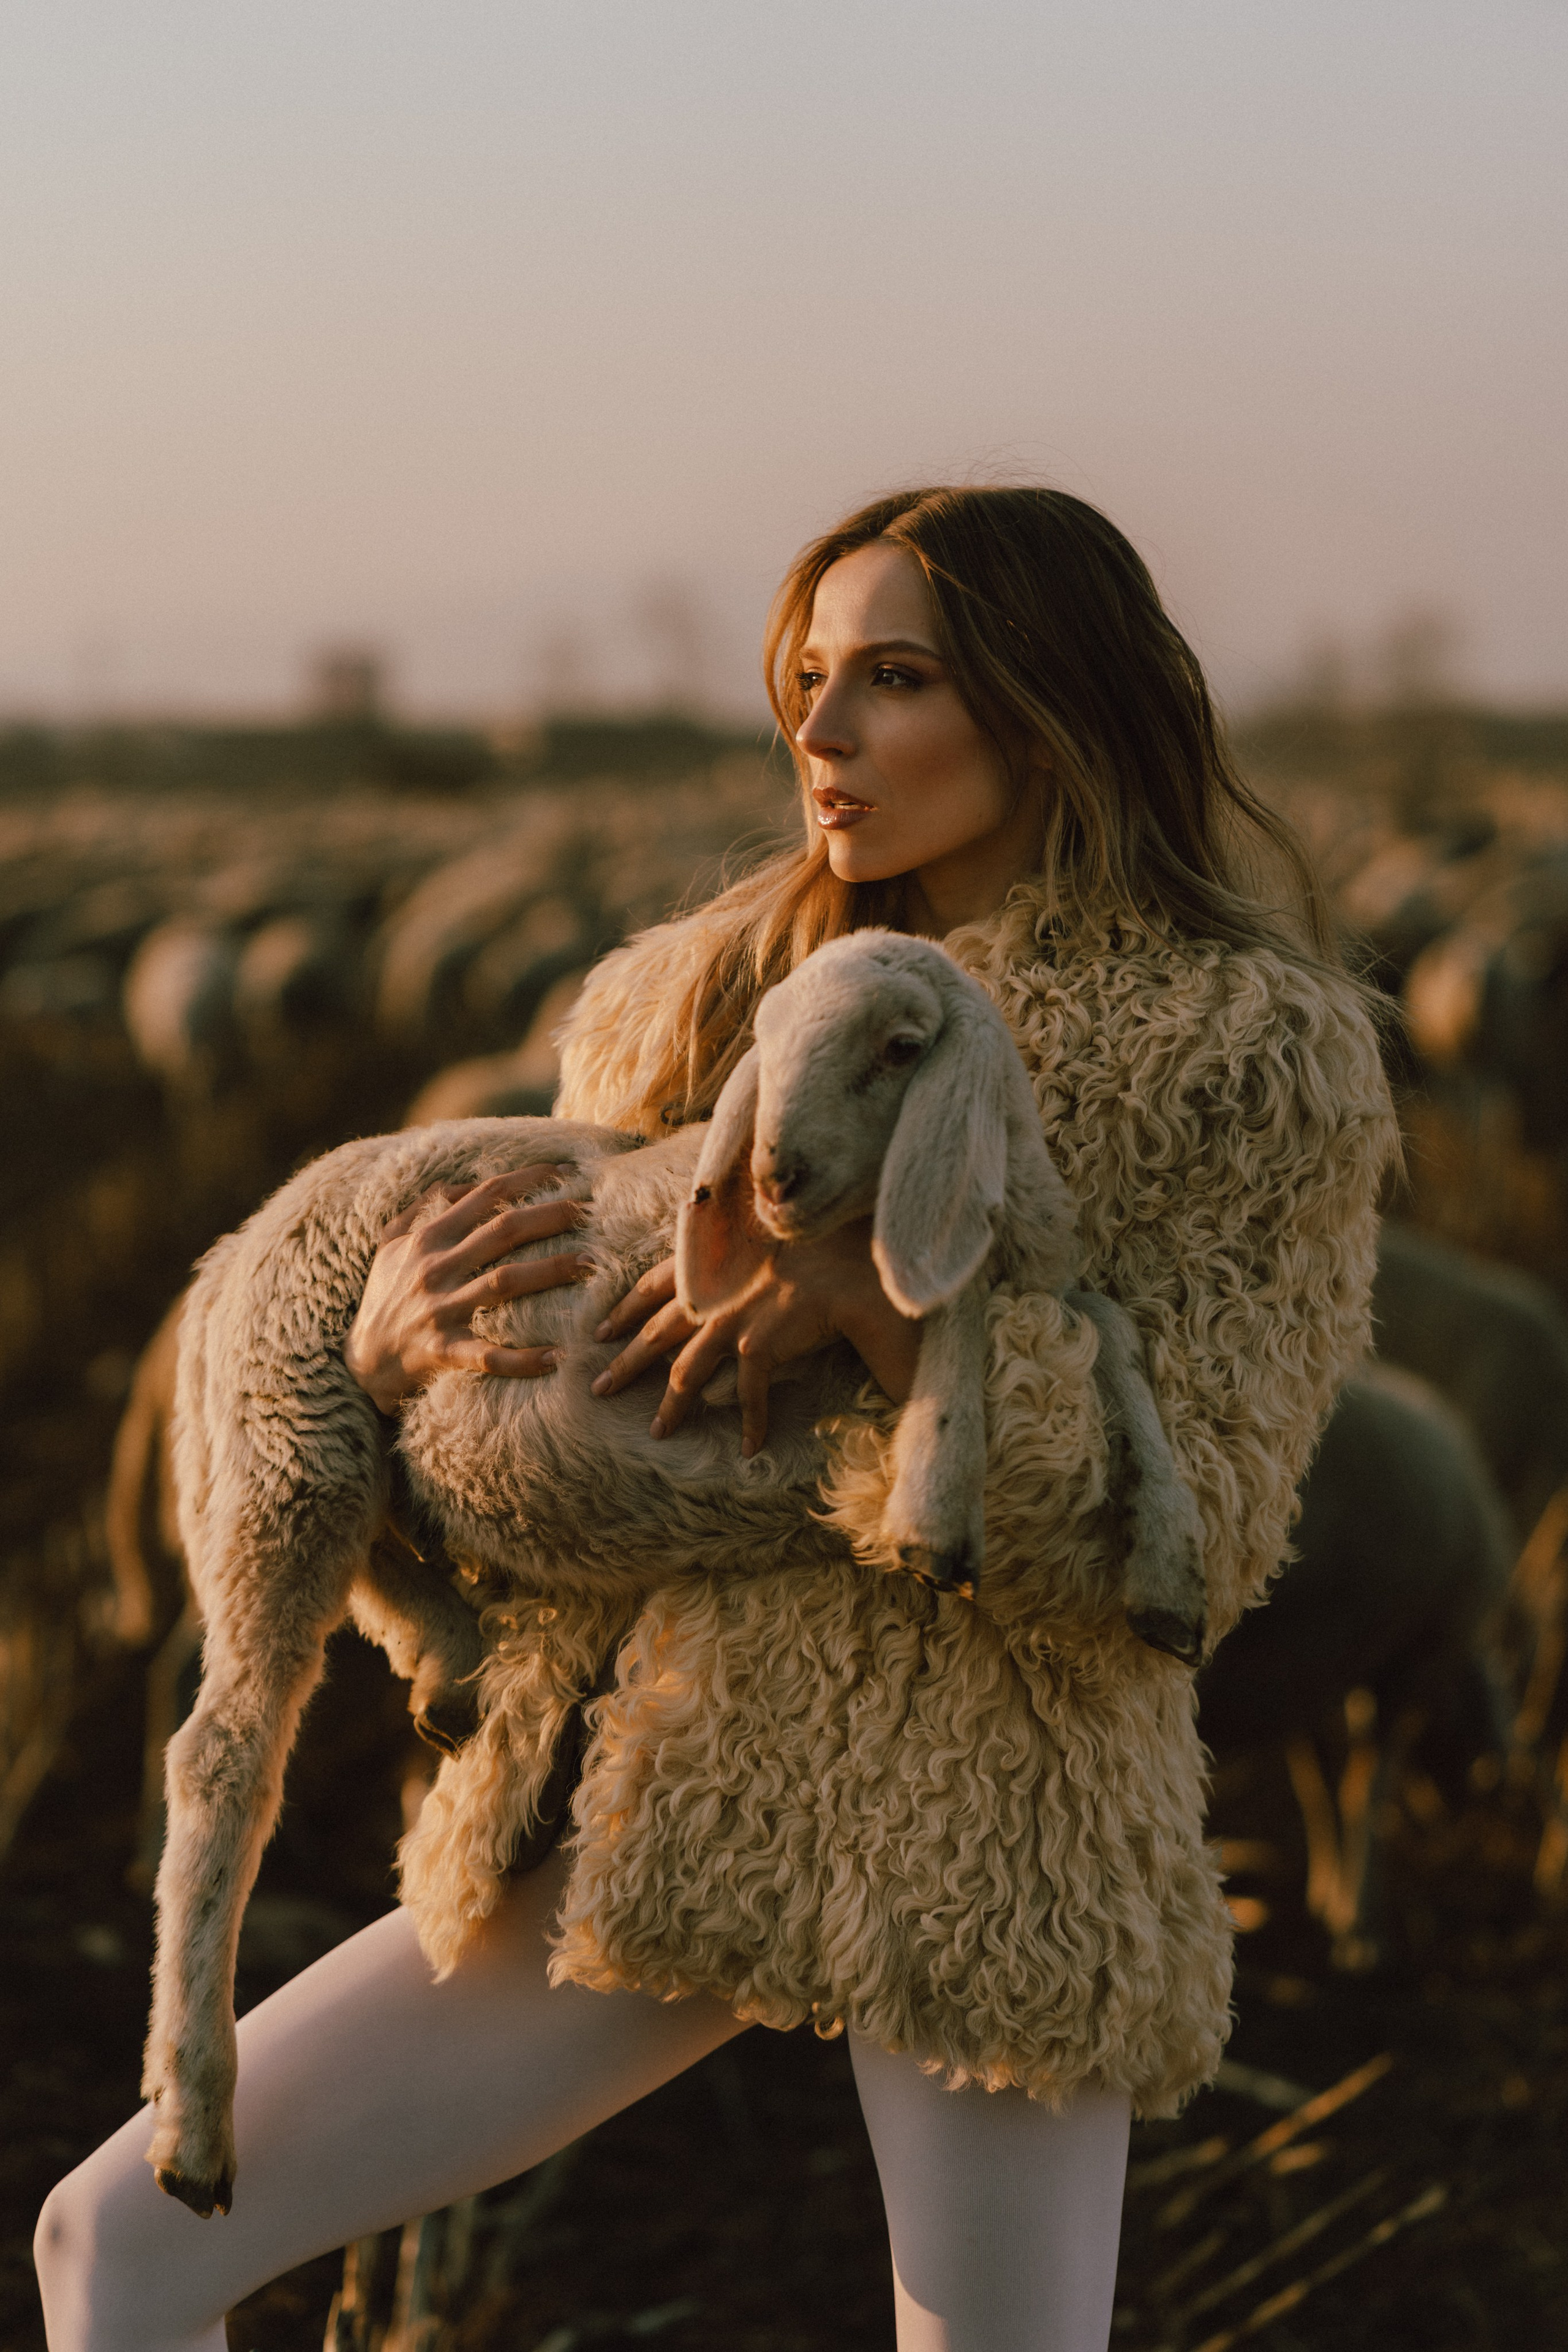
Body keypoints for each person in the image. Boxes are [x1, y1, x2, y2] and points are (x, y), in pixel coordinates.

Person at [36, 486, 1398, 2352]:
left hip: (982, 1823)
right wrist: (391, 1371)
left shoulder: (1241, 1057)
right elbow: (571, 1446)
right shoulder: (694, 1006)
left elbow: (1204, 1537)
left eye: (894, 680)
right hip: (643, 1786)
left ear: (1052, 706)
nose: (820, 737)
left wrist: (882, 1312)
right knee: (114, 2247)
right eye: (808, 680)